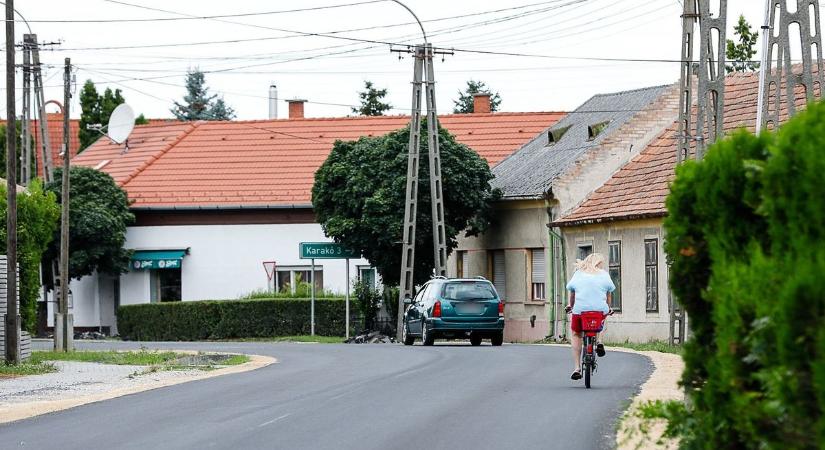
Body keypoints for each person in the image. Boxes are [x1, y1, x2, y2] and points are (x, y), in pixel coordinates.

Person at [565, 253, 615, 380]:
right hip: (599, 311)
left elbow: (572, 294)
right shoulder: (604, 274)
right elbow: (609, 295)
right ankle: (599, 341)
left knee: (576, 333)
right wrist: (608, 308)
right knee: (604, 316)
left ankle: (577, 368)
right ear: (598, 263)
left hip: (580, 311)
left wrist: (571, 306)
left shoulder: (578, 274)